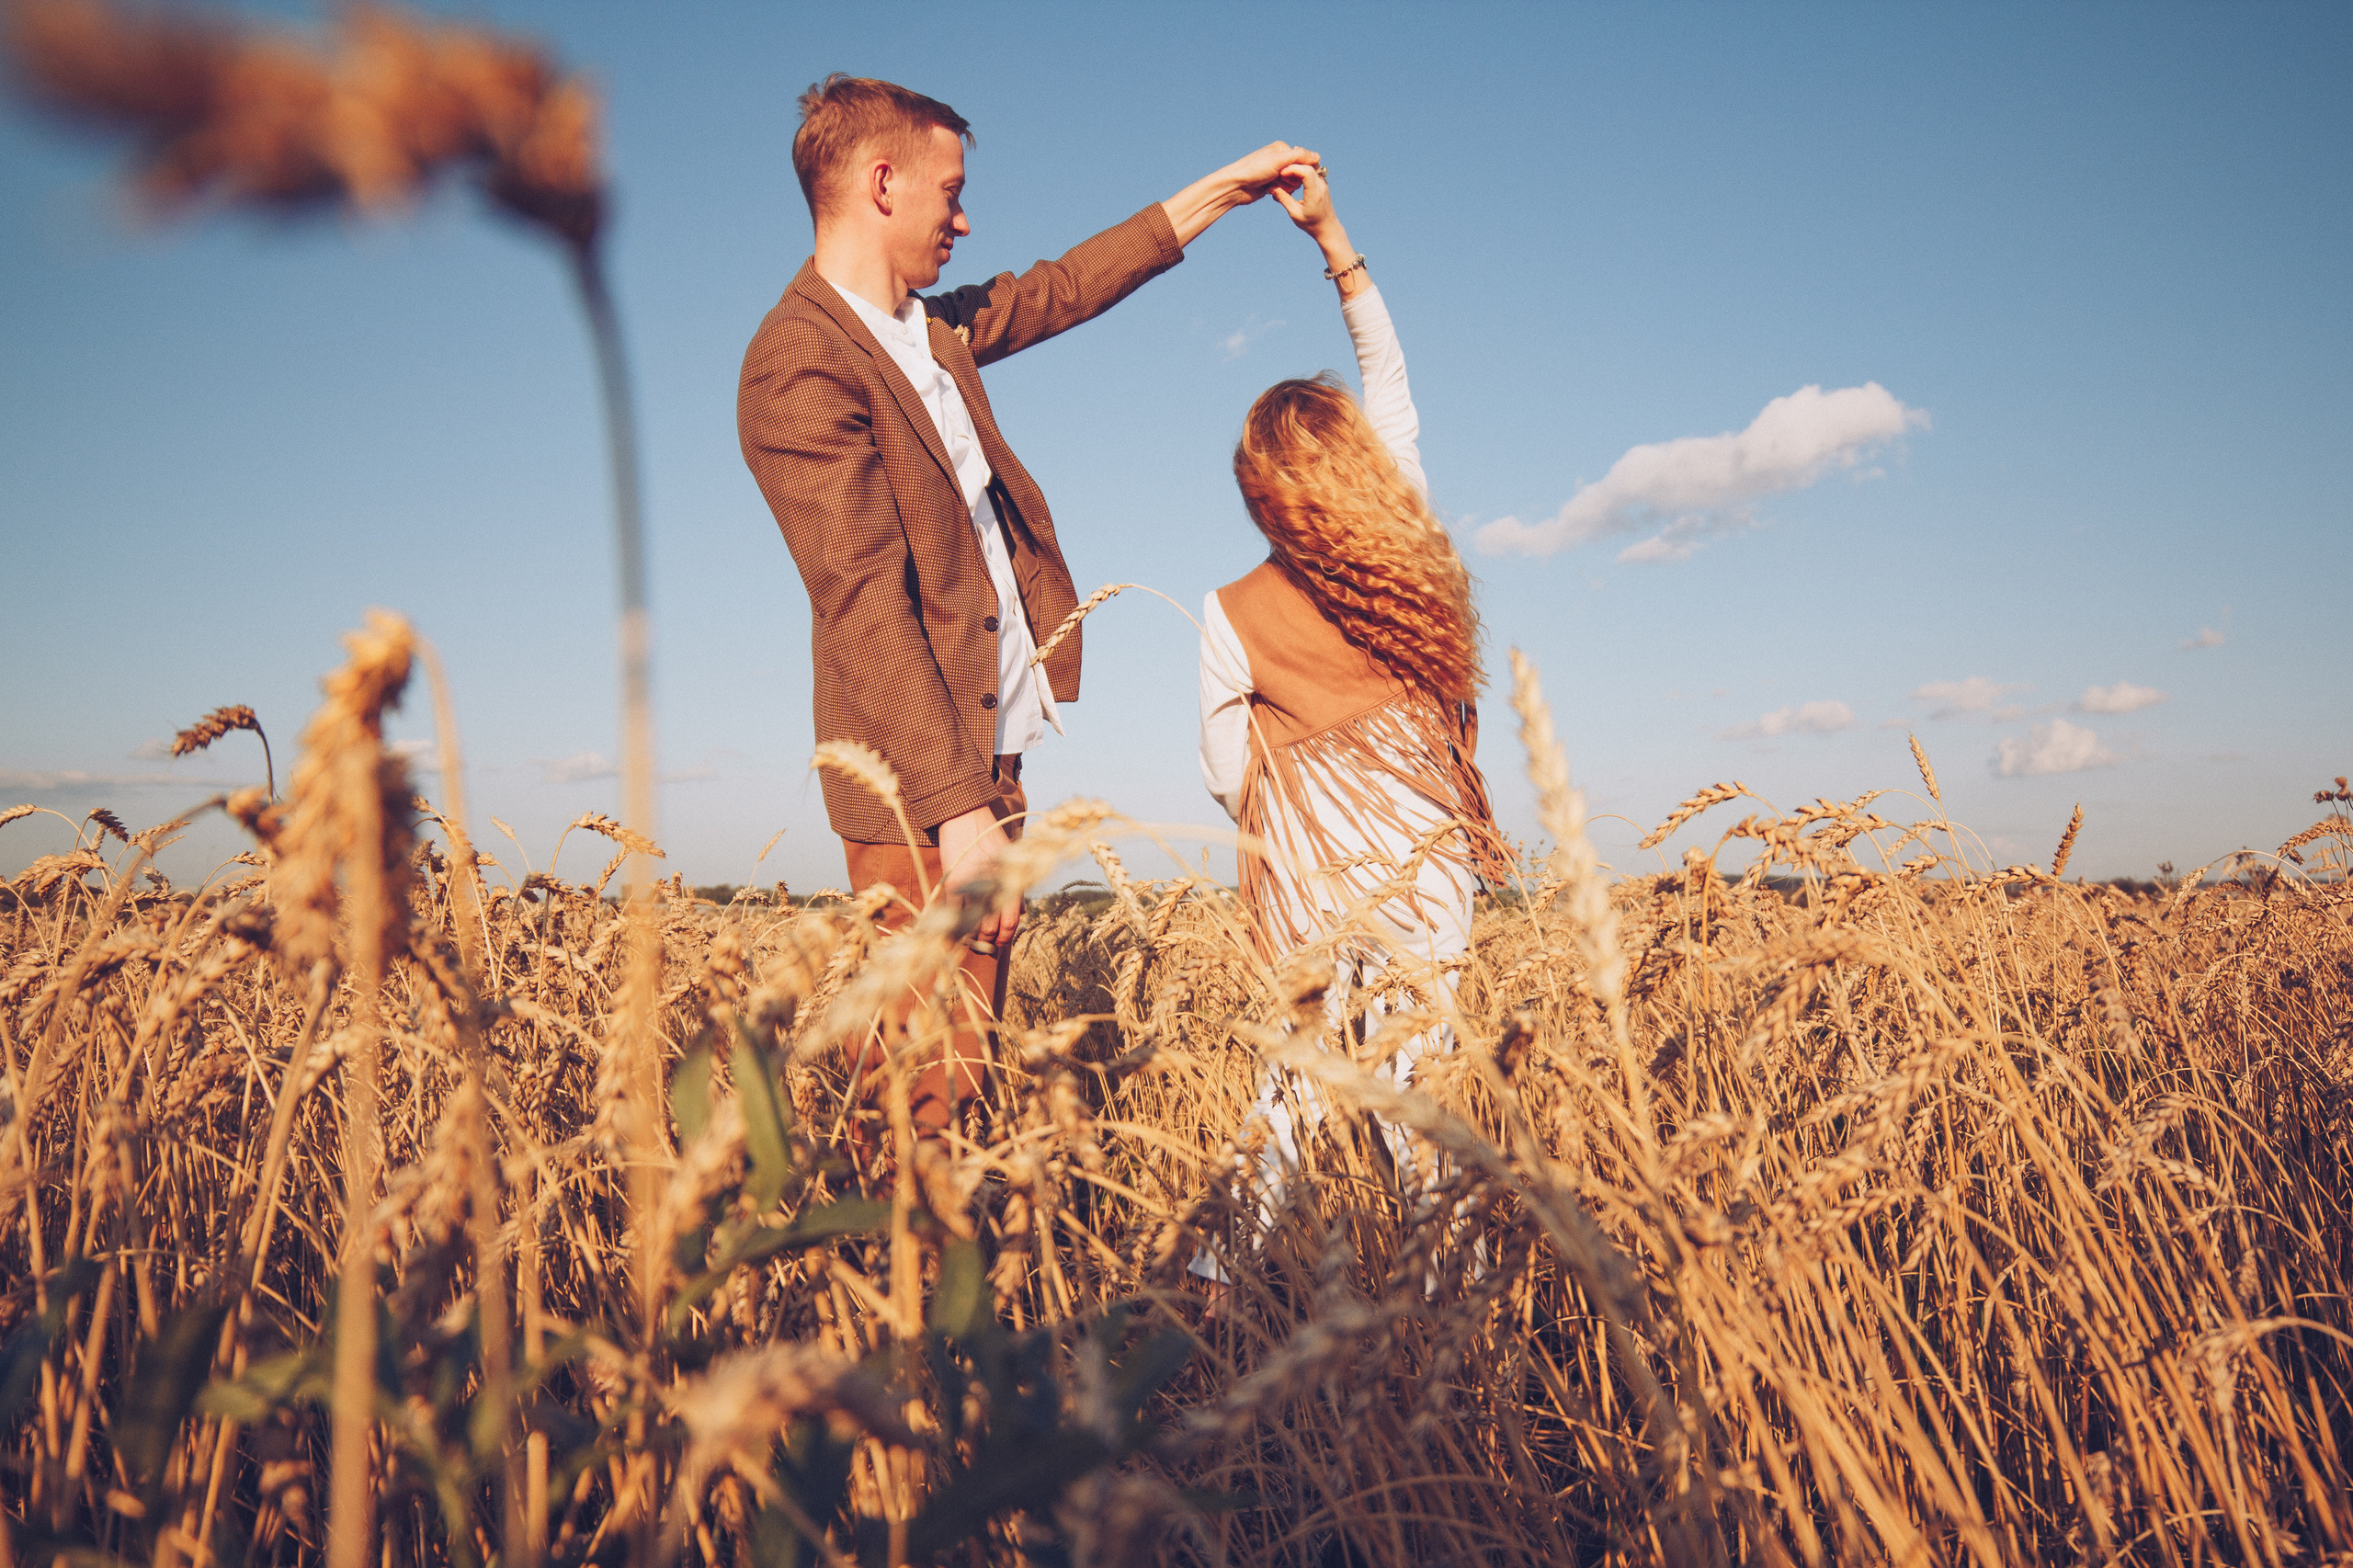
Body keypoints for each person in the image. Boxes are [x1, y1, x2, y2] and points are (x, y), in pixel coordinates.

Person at [738, 74, 1317, 1155]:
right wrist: (957, 812)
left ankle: (959, 1301)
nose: (964, 218)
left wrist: (1221, 195)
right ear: (879, 182)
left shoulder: (928, 329)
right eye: (948, 192)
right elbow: (860, 599)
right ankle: (897, 1303)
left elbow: (1062, 287)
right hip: (917, 786)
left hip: (980, 757)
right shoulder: (798, 362)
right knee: (923, 1090)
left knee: (966, 1067)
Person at [1192, 165, 1512, 1283]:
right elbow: (1392, 374)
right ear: (1358, 466)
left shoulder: (1230, 611)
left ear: (1259, 498)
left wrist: (1300, 780)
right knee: (1420, 1104)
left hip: (1308, 886)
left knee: (1286, 1094)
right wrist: (1333, 239)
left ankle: (1211, 1303)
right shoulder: (1412, 548)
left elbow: (1226, 771)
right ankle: (1455, 1318)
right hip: (1429, 872)